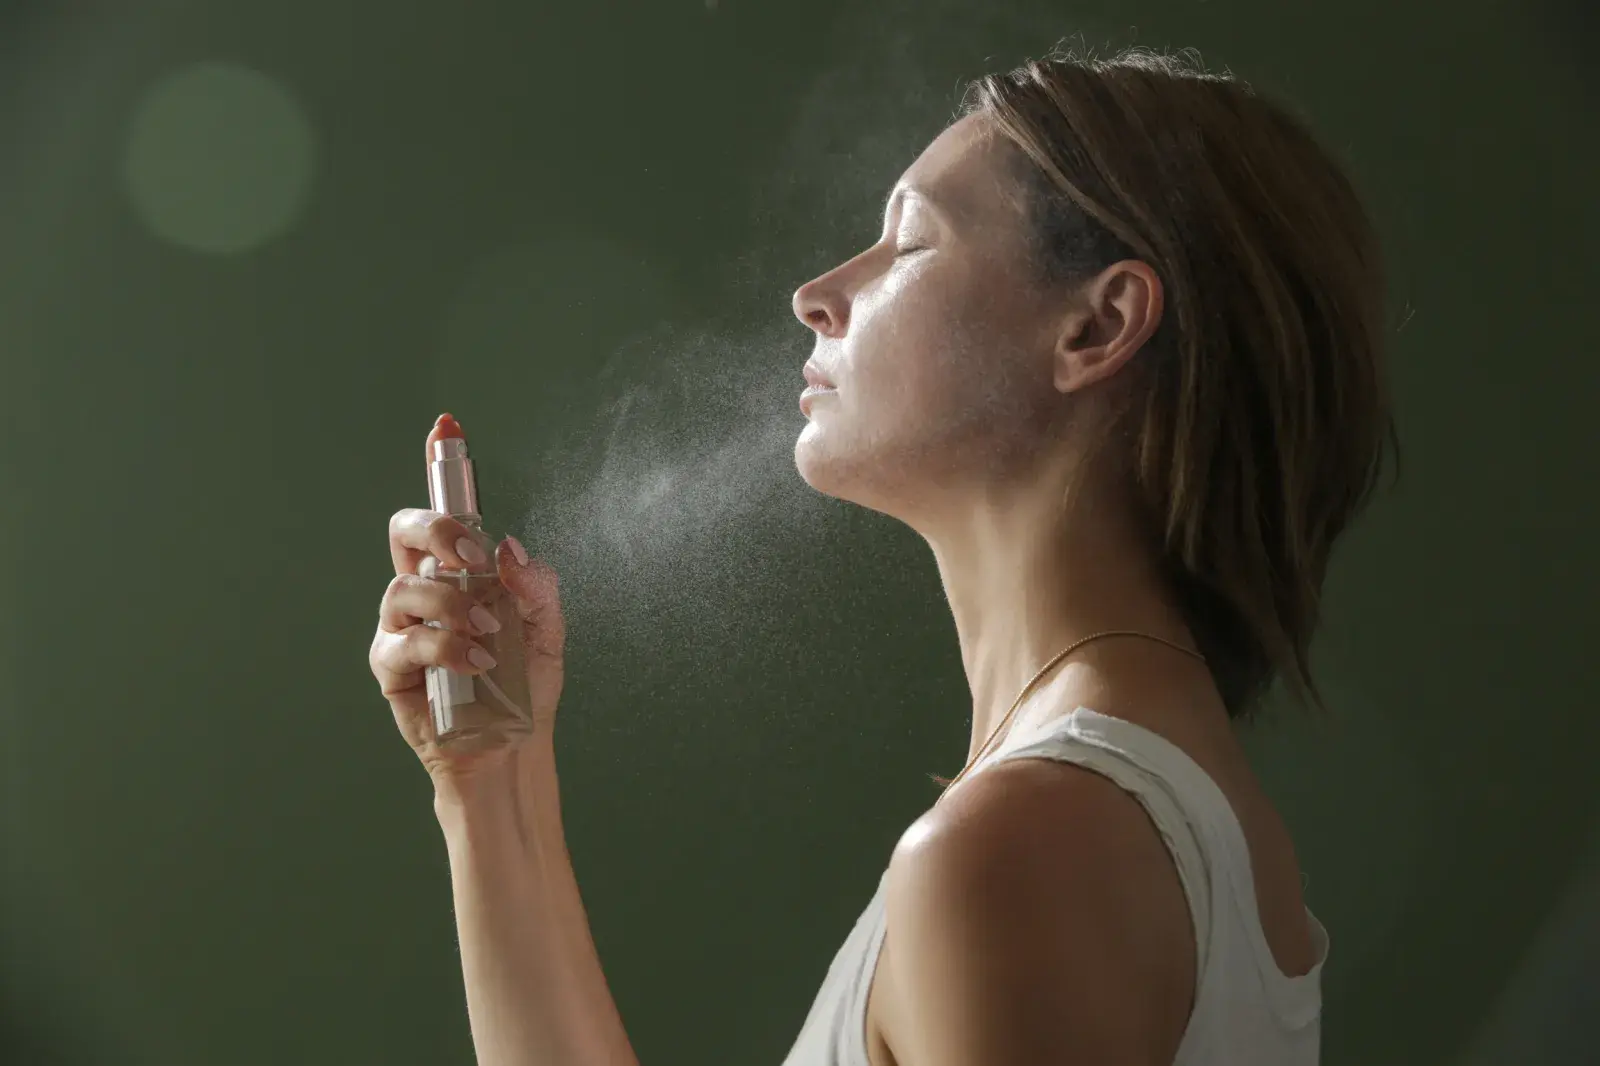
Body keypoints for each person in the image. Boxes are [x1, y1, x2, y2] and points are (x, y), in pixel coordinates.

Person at [367, 44, 1397, 1066]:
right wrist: (490, 784)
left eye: (908, 241)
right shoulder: (1126, 812)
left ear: (1097, 325)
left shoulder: (1026, 844)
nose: (815, 295)